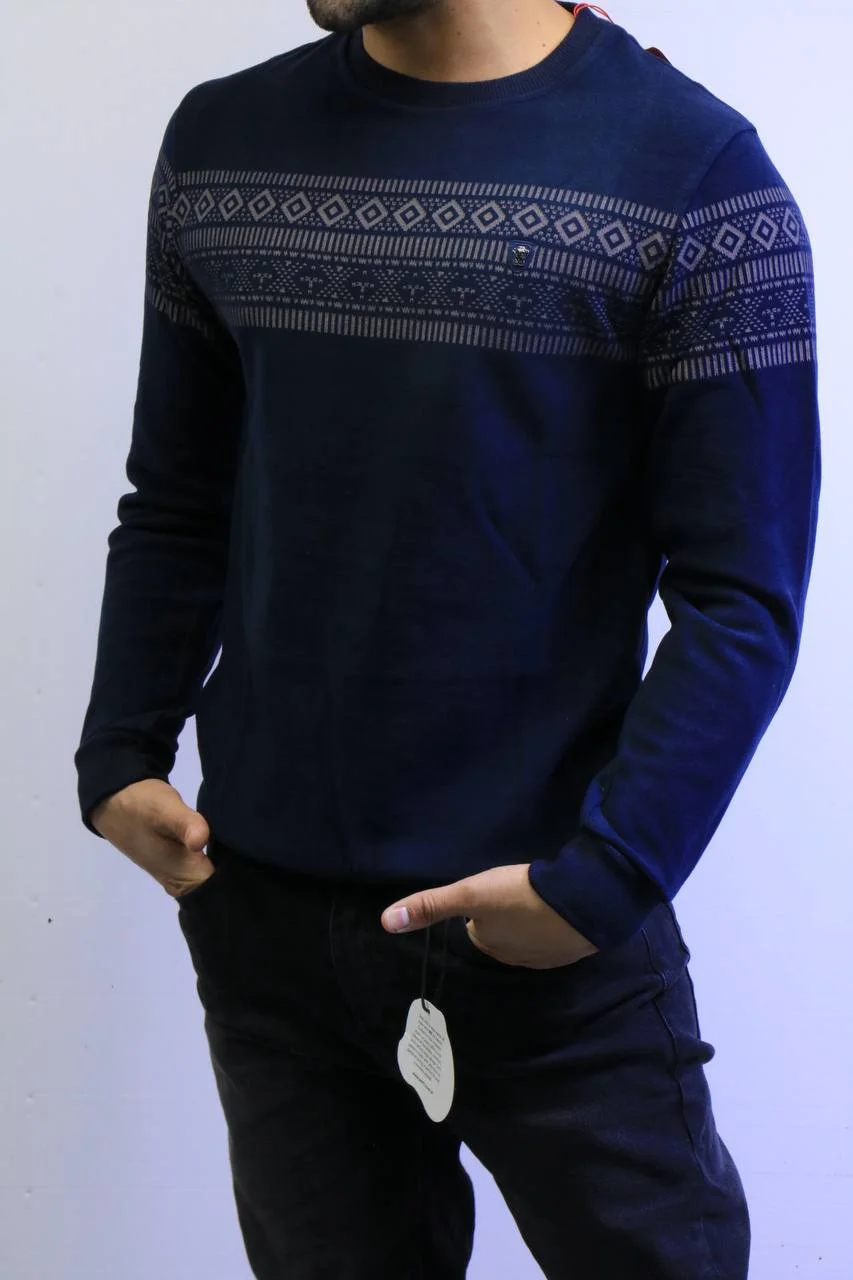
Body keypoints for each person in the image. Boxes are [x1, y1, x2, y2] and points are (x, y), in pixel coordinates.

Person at [74, 0, 820, 1275]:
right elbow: (179, 498)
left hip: (546, 929)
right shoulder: (222, 139)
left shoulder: (696, 174)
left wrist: (601, 881)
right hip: (269, 930)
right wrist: (119, 750)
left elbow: (741, 593)